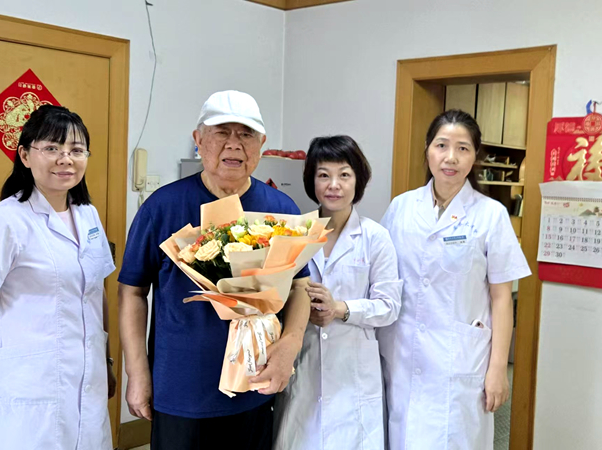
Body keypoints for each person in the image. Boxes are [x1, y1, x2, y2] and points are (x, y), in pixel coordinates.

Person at [118, 90, 312, 450]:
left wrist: (290, 344)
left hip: (255, 385)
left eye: (246, 134)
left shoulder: (281, 209)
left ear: (262, 144)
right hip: (181, 389)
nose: (234, 144)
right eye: (222, 132)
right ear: (198, 139)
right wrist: (137, 372)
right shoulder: (162, 206)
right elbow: (132, 291)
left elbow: (300, 286)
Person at [0, 105, 117, 450]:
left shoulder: (88, 215)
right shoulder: (2, 221)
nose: (65, 159)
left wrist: (105, 359)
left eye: (76, 150)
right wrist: (22, 355)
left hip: (87, 378)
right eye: (52, 148)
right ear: (25, 156)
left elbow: (95, 292)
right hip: (28, 384)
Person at [378, 110, 532, 449]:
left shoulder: (491, 215)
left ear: (474, 155)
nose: (451, 157)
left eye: (463, 148)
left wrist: (497, 369)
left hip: (460, 360)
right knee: (402, 437)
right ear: (427, 149)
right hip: (403, 354)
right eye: (442, 145)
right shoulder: (401, 208)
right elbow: (382, 279)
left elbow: (502, 298)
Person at [273, 135, 402, 450]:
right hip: (304, 365)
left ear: (358, 180)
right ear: (311, 181)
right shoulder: (293, 234)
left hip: (353, 374)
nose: (334, 185)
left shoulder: (375, 238)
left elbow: (389, 306)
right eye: (323, 175)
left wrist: (340, 308)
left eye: (344, 174)